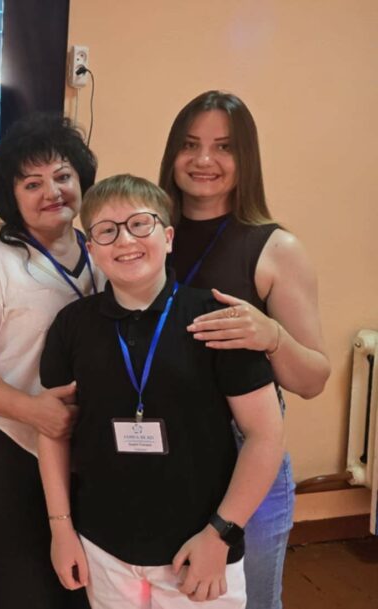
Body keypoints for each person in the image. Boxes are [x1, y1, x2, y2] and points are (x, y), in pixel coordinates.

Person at [38, 174, 285, 609]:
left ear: (168, 237)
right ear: (91, 248)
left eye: (140, 224)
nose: (124, 240)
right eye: (106, 231)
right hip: (104, 547)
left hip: (200, 549)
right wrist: (61, 529)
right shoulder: (71, 326)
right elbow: (52, 429)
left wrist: (221, 534)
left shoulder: (217, 319)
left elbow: (266, 435)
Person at [159, 90, 331, 609]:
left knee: (251, 602)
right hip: (164, 455)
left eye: (224, 147)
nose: (204, 159)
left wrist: (271, 335)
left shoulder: (276, 248)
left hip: (246, 458)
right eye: (190, 144)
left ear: (246, 158)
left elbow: (313, 379)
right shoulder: (145, 235)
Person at [0, 114, 98, 609]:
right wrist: (33, 412)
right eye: (32, 183)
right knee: (22, 584)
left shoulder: (104, 253)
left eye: (62, 176)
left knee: (83, 580)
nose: (52, 192)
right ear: (11, 197)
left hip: (82, 442)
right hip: (4, 443)